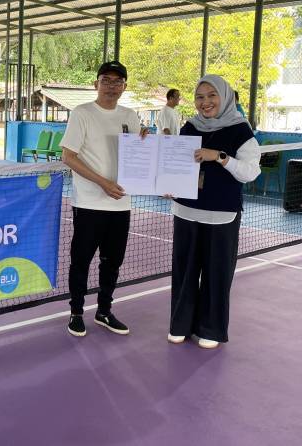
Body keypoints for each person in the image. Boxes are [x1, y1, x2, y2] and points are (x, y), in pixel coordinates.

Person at [168, 75, 260, 349]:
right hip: (186, 212)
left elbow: (250, 172)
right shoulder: (189, 127)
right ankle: (180, 325)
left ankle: (211, 329)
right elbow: (174, 162)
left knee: (216, 274)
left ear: (225, 97)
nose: (205, 102)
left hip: (222, 216)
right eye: (200, 97)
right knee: (184, 272)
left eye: (211, 95)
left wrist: (219, 157)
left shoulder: (241, 131)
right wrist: (165, 181)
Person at [60, 61, 147, 338]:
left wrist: (148, 144)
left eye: (117, 81)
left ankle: (104, 311)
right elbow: (68, 157)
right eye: (106, 80)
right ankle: (76, 313)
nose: (111, 85)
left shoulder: (130, 115)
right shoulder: (82, 113)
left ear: (124, 86)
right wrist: (103, 183)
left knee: (112, 262)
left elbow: (136, 156)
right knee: (81, 261)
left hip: (120, 205)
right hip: (89, 204)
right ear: (96, 83)